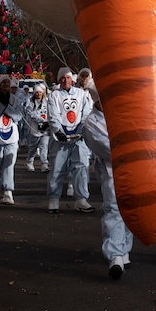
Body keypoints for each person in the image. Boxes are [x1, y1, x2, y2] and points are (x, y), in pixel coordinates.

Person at [83, 88, 133, 280]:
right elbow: (110, 150)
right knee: (114, 209)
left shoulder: (123, 113)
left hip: (134, 170)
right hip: (112, 171)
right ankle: (115, 255)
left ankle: (124, 248)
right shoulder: (91, 123)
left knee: (129, 208)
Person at [46, 66, 94, 214]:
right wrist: (58, 131)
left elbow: (86, 113)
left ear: (71, 79)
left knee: (80, 167)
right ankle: (54, 198)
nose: (65, 80)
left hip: (78, 138)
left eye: (67, 77)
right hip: (60, 138)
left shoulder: (81, 94)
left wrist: (81, 130)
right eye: (62, 78)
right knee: (57, 168)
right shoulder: (54, 95)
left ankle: (81, 199)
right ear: (59, 79)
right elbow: (53, 115)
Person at [0, 75, 23, 203]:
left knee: (8, 165)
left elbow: (18, 117)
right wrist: (1, 106)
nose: (6, 85)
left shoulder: (16, 100)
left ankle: (8, 191)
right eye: (3, 83)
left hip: (11, 138)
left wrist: (8, 108)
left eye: (8, 83)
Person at [25, 83, 50, 171]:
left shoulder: (47, 102)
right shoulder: (31, 103)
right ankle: (29, 161)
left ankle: (44, 164)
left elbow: (50, 112)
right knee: (33, 147)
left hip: (45, 129)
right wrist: (41, 120)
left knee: (44, 146)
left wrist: (47, 122)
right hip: (35, 129)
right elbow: (31, 113)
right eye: (37, 93)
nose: (39, 94)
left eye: (40, 92)